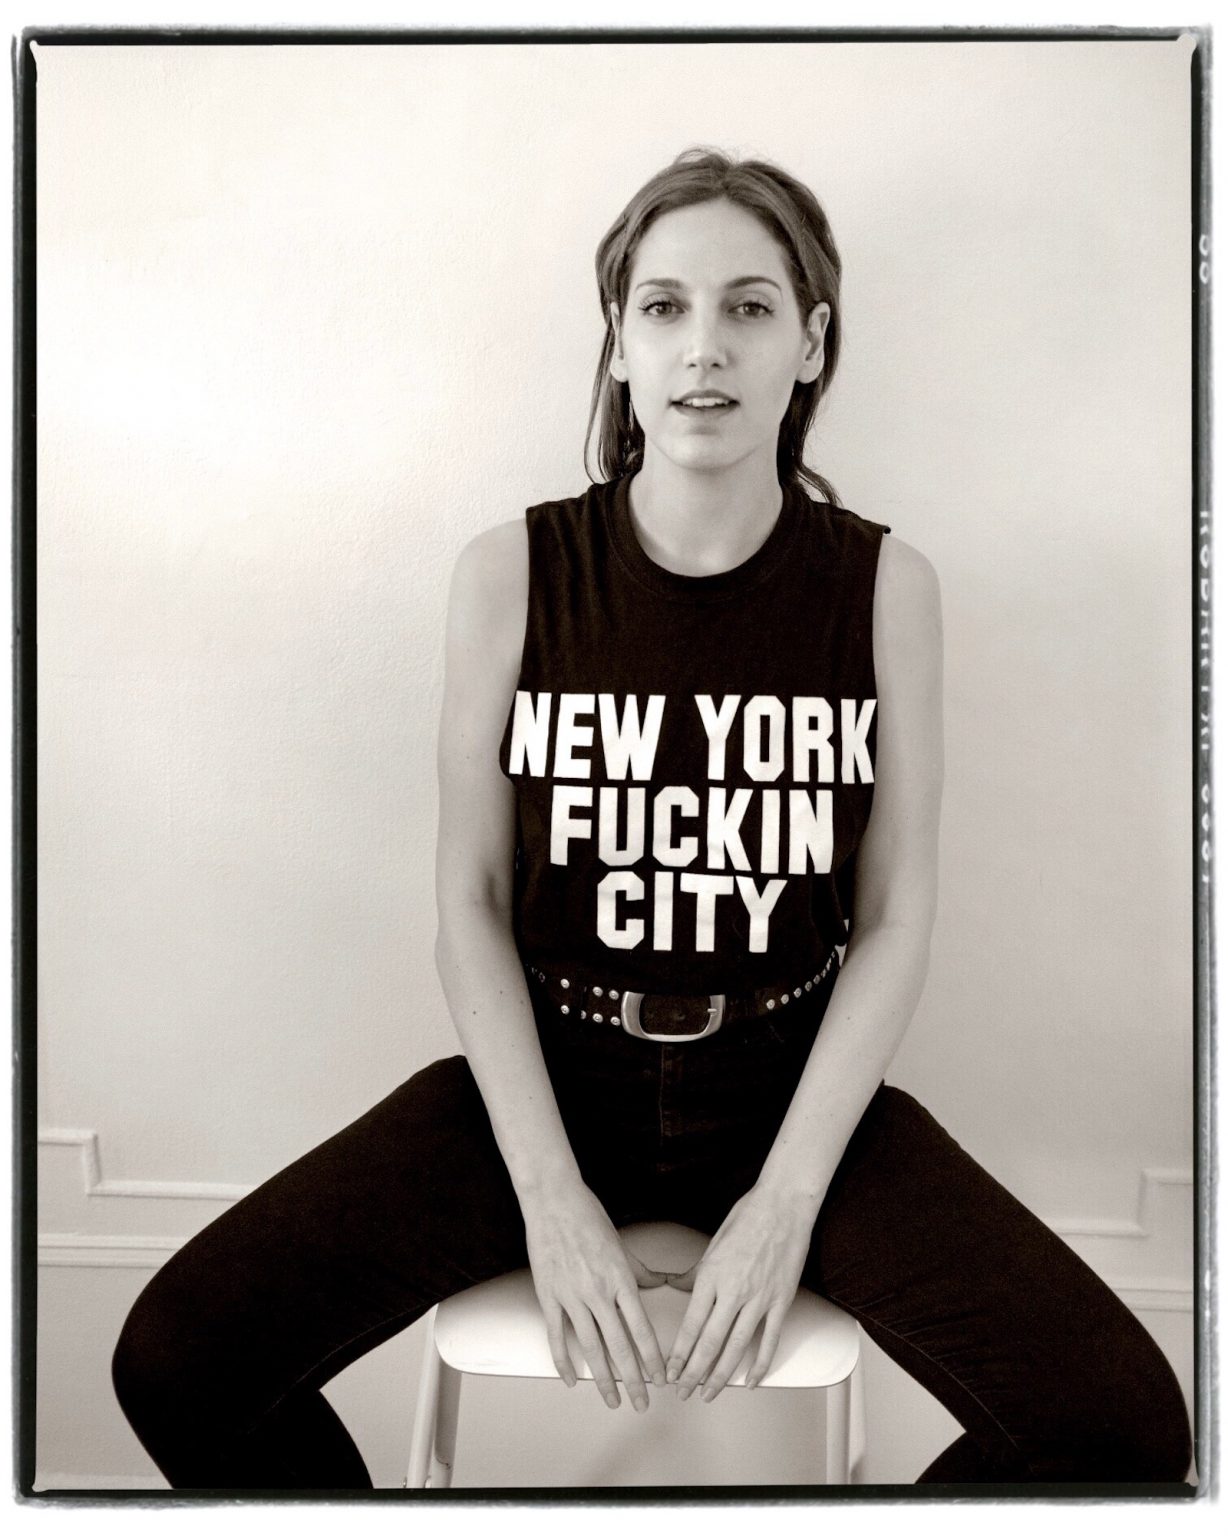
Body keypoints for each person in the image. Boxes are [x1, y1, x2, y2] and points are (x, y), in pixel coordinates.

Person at [111, 147, 1192, 1490]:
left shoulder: (884, 588)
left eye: (750, 307)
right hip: (551, 1077)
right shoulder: (511, 572)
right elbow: (471, 903)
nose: (704, 347)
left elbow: (896, 915)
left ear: (811, 343)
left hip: (790, 1087)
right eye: (665, 307)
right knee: (179, 1357)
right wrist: (549, 1196)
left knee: (1124, 1425)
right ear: (619, 341)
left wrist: (785, 1202)